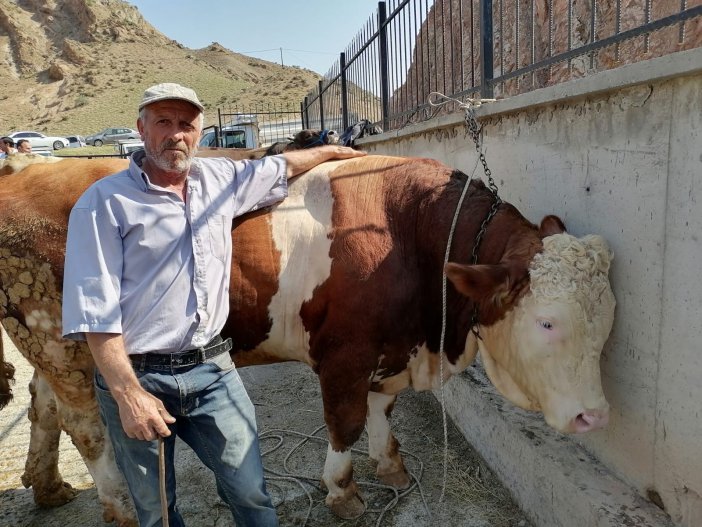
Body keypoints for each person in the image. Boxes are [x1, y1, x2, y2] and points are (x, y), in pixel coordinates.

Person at [62, 82, 365, 527]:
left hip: (213, 372)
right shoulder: (104, 204)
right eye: (163, 122)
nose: (175, 134)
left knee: (253, 496)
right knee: (157, 512)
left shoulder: (220, 180)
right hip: (139, 375)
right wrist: (128, 395)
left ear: (199, 132)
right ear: (141, 129)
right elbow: (95, 309)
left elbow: (281, 166)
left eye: (186, 124)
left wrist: (335, 153)